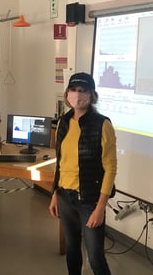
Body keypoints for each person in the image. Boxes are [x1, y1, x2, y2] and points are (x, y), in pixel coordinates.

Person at [49, 72, 117, 275]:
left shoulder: (102, 124)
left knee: (96, 257)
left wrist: (100, 207)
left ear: (91, 95)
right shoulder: (63, 122)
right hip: (64, 196)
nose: (77, 95)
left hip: (89, 200)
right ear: (67, 93)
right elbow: (60, 162)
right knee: (72, 248)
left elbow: (110, 168)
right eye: (73, 90)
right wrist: (54, 193)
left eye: (82, 91)